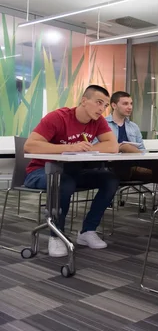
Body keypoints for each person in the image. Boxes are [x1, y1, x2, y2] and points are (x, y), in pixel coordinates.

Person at [23, 85, 120, 257]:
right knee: (64, 182)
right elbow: (29, 146)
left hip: (72, 171)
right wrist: (70, 147)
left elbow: (112, 146)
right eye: (98, 102)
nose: (101, 109)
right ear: (84, 101)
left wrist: (88, 149)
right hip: (41, 171)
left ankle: (87, 231)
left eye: (105, 105)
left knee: (110, 179)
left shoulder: (97, 121)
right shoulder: (58, 117)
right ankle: (56, 235)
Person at [104, 91, 158, 237]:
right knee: (124, 150)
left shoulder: (133, 127)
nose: (130, 107)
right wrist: (120, 148)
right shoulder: (103, 124)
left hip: (133, 166)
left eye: (131, 103)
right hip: (110, 166)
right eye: (125, 103)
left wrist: (129, 149)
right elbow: (97, 147)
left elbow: (142, 151)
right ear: (114, 105)